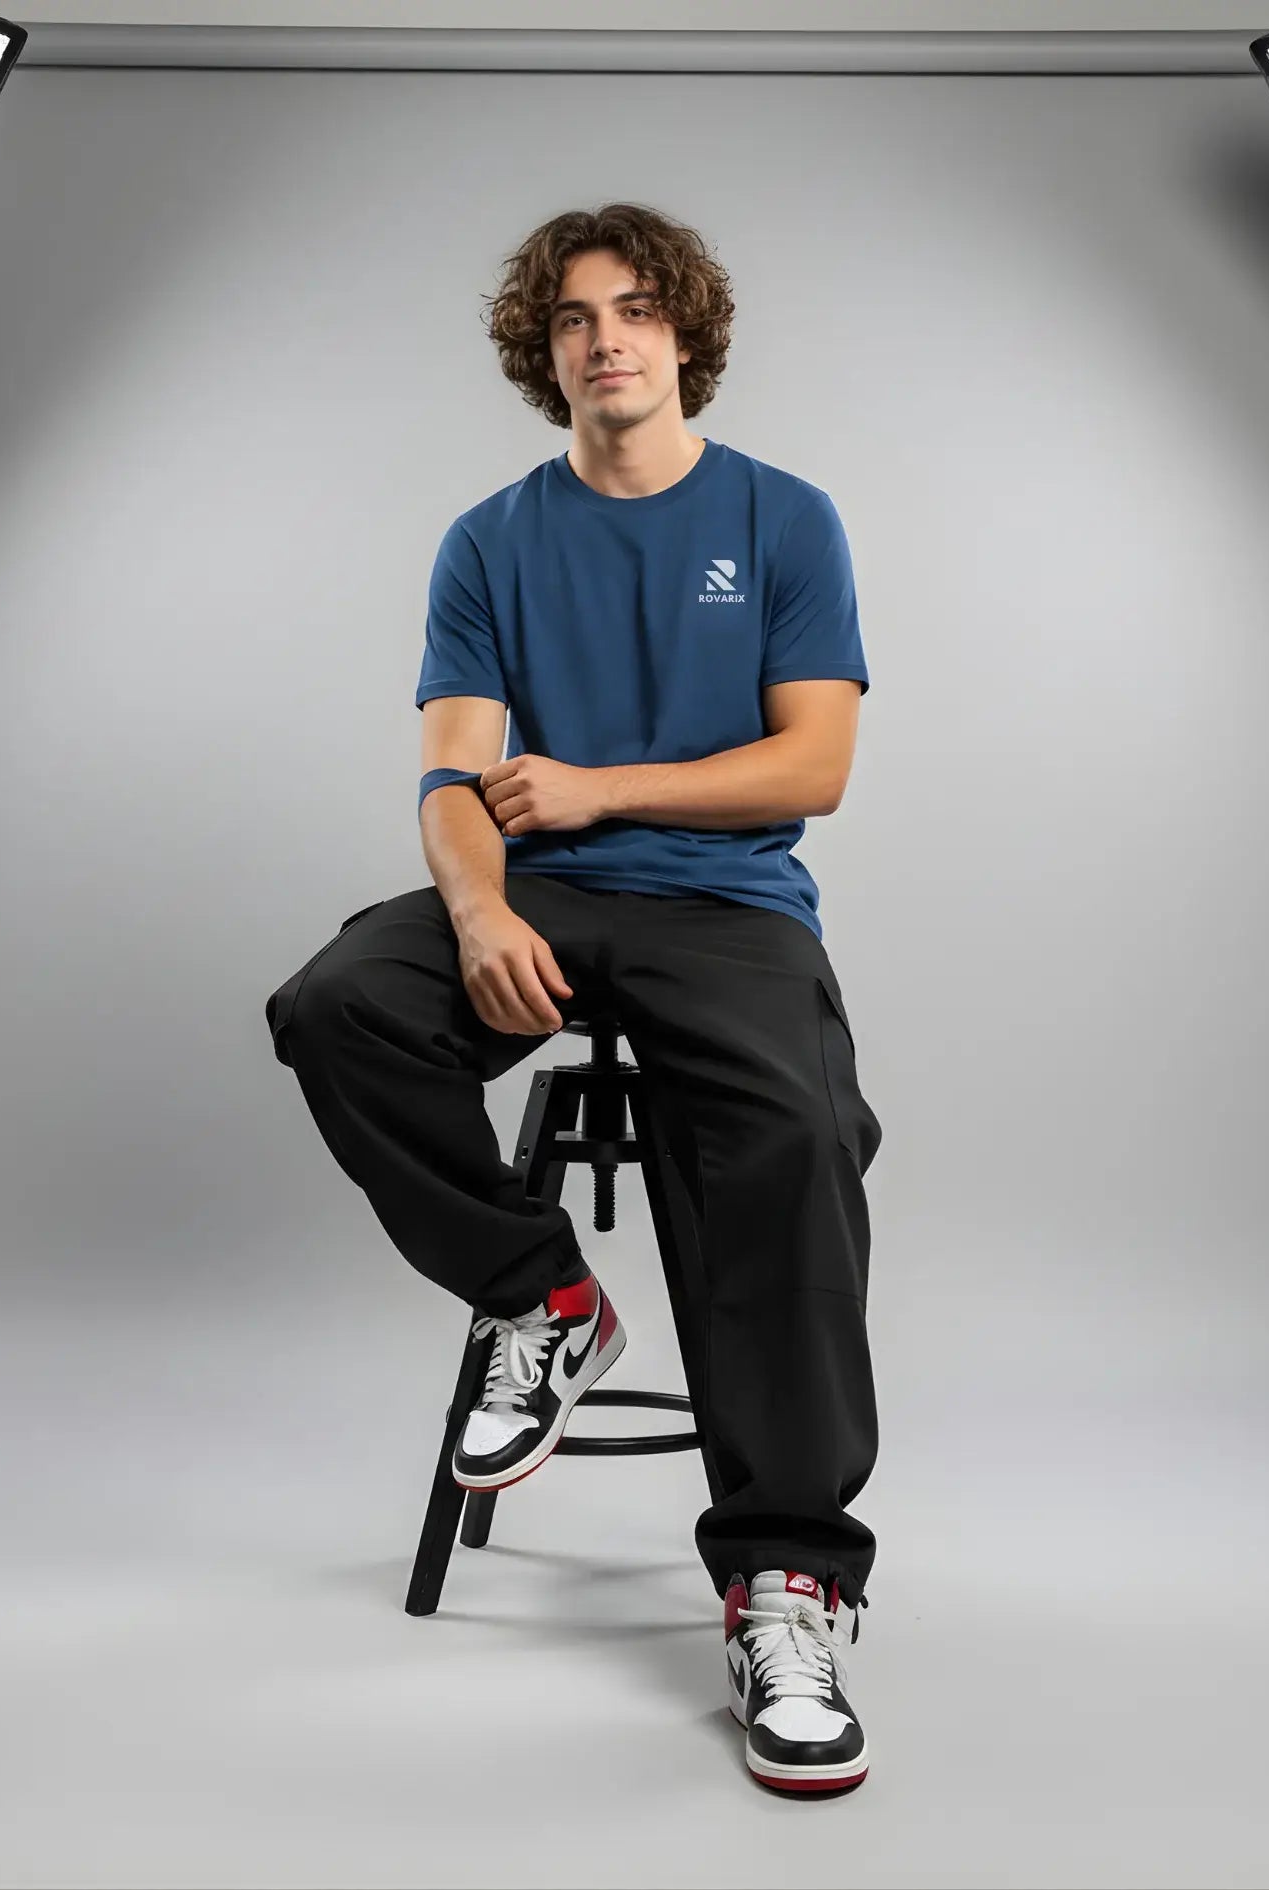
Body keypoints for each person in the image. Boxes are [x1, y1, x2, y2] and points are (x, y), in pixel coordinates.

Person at [264, 203, 883, 1796]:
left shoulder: (785, 517)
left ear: (684, 334)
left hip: (726, 906)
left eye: (632, 310)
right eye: (570, 321)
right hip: (539, 896)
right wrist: (474, 907)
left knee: (795, 1139)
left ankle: (785, 1580)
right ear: (542, 358)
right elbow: (455, 769)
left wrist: (602, 787)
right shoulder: (490, 537)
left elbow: (810, 764)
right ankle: (543, 1298)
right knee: (339, 1002)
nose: (603, 337)